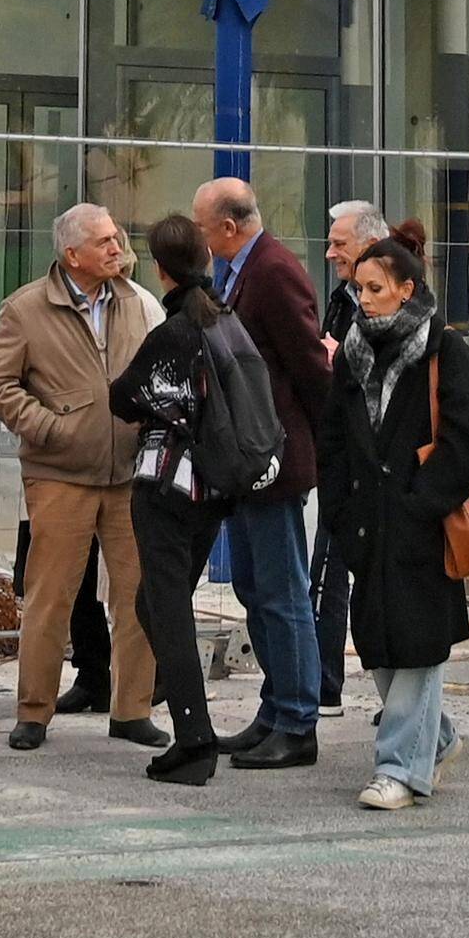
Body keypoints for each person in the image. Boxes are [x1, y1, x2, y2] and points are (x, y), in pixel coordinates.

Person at [0, 202, 161, 749]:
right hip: (59, 476)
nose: (117, 246)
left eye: (117, 236)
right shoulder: (26, 309)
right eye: (104, 240)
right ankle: (33, 711)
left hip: (130, 475)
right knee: (50, 596)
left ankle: (132, 710)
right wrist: (52, 428)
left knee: (138, 596)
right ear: (71, 253)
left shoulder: (134, 302)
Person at [317, 233, 469, 809]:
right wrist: (340, 511)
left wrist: (423, 504)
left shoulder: (445, 350)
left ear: (406, 289)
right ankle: (434, 739)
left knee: (417, 649)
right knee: (381, 650)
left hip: (421, 525)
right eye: (357, 287)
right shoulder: (351, 353)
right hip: (366, 524)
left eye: (375, 288)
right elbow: (334, 439)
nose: (362, 299)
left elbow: (465, 443)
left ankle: (398, 770)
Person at [193, 176, 331, 767]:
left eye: (203, 228)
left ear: (228, 225)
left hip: (273, 457)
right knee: (253, 587)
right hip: (248, 461)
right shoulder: (237, 270)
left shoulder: (272, 270)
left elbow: (308, 364)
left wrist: (313, 444)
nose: (201, 239)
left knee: (281, 593)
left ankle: (298, 720)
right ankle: (275, 708)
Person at [104, 213, 237, 784]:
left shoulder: (174, 331)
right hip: (215, 485)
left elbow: (123, 396)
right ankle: (180, 692)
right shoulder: (226, 319)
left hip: (166, 484)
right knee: (154, 604)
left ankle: (194, 738)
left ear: (160, 269)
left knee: (169, 609)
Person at [316, 196, 387, 715]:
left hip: (383, 466)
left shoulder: (405, 302)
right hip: (342, 458)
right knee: (329, 569)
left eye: (339, 244)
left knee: (383, 577)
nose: (329, 253)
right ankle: (325, 684)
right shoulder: (343, 299)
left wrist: (345, 360)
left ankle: (402, 689)